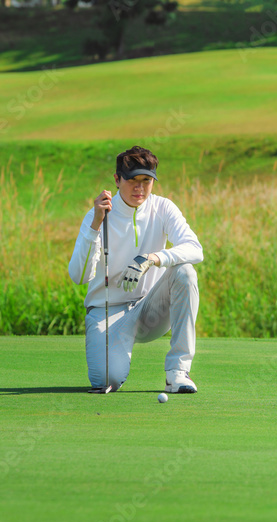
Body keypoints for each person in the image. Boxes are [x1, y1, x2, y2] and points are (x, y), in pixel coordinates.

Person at [67, 146, 203, 393]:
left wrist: (152, 258)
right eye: (132, 180)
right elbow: (79, 276)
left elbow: (195, 249)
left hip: (151, 309)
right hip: (107, 313)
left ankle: (177, 372)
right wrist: (96, 226)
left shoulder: (163, 207)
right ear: (117, 180)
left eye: (146, 180)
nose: (140, 188)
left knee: (185, 272)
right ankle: (113, 367)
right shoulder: (97, 215)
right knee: (106, 380)